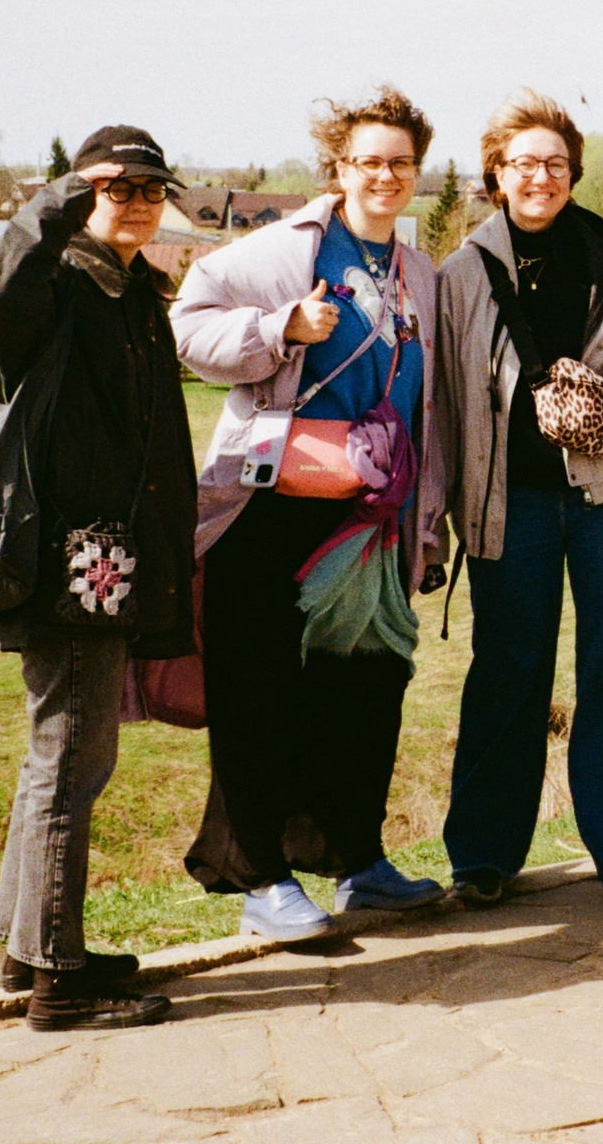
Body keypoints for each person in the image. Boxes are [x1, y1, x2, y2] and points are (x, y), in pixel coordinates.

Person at [172, 88, 449, 940]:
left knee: (366, 688)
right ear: (337, 167)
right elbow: (189, 324)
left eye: (400, 162)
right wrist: (278, 325)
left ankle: (356, 861)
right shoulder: (281, 250)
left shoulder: (420, 270)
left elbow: (430, 400)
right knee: (259, 692)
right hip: (271, 507)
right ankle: (261, 881)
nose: (385, 175)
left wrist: (429, 521)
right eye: (368, 160)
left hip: (370, 516)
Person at [435, 91, 603, 921]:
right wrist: (437, 513)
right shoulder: (461, 274)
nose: (538, 177)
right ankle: (482, 855)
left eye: (553, 163)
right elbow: (437, 399)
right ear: (495, 175)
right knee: (509, 669)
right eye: (521, 164)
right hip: (507, 504)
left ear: (572, 173)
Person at [0, 126, 196, 1031]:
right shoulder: (57, 284)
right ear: (82, 192)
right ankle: (61, 983)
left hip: (109, 562)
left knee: (66, 759)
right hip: (62, 558)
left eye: (150, 187)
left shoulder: (135, 290)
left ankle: (30, 950)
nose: (135, 199)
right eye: (115, 185)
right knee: (69, 762)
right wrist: (58, 197)